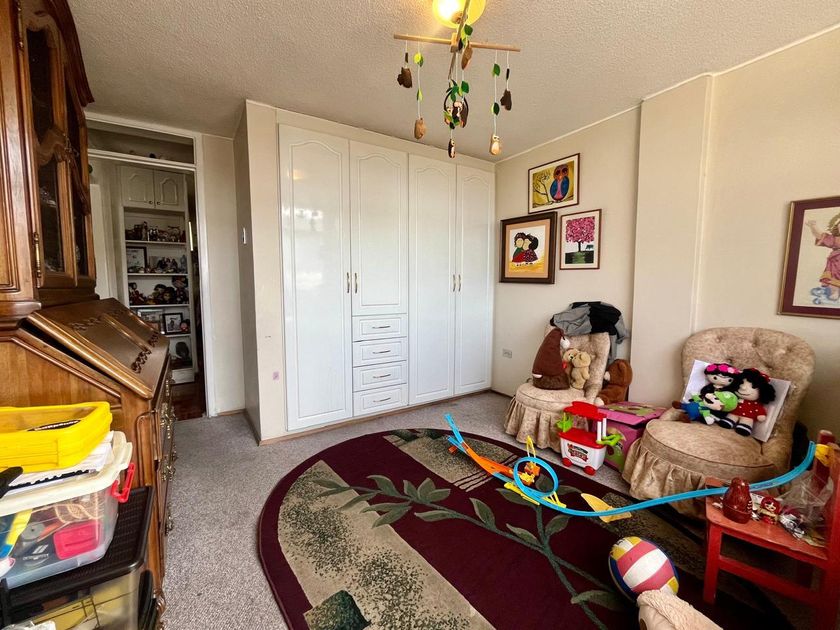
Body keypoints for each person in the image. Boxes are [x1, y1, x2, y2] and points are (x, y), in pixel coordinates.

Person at [806, 215, 840, 301]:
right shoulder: (836, 240)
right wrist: (813, 226)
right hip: (836, 264)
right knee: (834, 280)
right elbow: (821, 236)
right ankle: (835, 292)